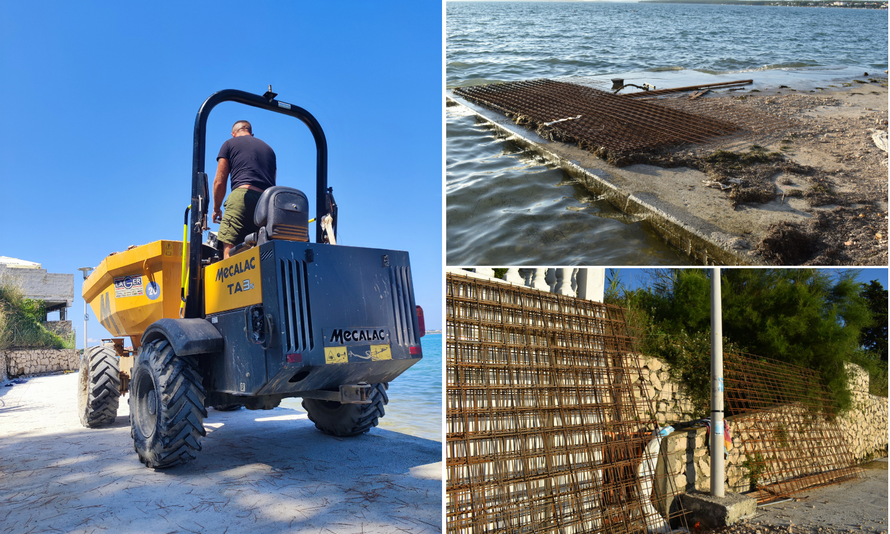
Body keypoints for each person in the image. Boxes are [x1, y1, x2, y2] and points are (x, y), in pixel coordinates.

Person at [212, 120, 277, 258]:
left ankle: (231, 279)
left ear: (233, 133)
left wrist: (216, 208)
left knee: (230, 246)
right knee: (260, 249)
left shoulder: (229, 143)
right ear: (251, 133)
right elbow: (273, 181)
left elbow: (219, 181)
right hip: (266, 203)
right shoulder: (270, 150)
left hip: (242, 197)